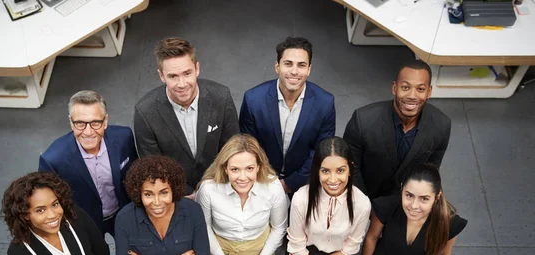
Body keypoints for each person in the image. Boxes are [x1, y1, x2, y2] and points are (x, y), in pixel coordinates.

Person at [196, 134, 288, 255]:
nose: (242, 177)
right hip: (222, 246)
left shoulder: (273, 187)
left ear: (259, 167)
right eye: (235, 169)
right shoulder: (208, 189)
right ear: (225, 169)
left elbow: (279, 228)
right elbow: (204, 228)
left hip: (259, 245)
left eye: (249, 168)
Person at [133, 37, 239, 196]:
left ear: (197, 69)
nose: (182, 84)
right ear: (161, 76)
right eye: (173, 76)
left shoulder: (221, 97)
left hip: (220, 184)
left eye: (187, 73)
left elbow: (232, 148)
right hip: (179, 194)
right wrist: (184, 194)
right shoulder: (145, 112)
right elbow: (155, 166)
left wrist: (211, 186)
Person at [239, 36, 335, 195]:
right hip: (260, 180)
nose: (294, 71)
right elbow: (249, 146)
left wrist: (289, 184)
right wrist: (268, 181)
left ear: (309, 69)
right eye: (288, 64)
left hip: (304, 182)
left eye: (301, 65)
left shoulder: (325, 103)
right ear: (277, 66)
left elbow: (320, 151)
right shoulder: (253, 100)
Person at [343, 60, 451, 199]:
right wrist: (363, 204)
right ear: (394, 88)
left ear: (429, 92)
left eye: (420, 89)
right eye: (405, 87)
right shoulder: (362, 120)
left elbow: (430, 173)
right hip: (365, 197)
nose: (412, 96)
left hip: (406, 204)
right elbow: (350, 166)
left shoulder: (441, 125)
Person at [39, 90, 137, 237]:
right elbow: (49, 202)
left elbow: (136, 175)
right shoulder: (53, 160)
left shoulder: (124, 137)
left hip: (124, 214)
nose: (88, 132)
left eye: (95, 122)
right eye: (80, 123)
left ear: (105, 121)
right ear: (71, 122)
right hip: (85, 225)